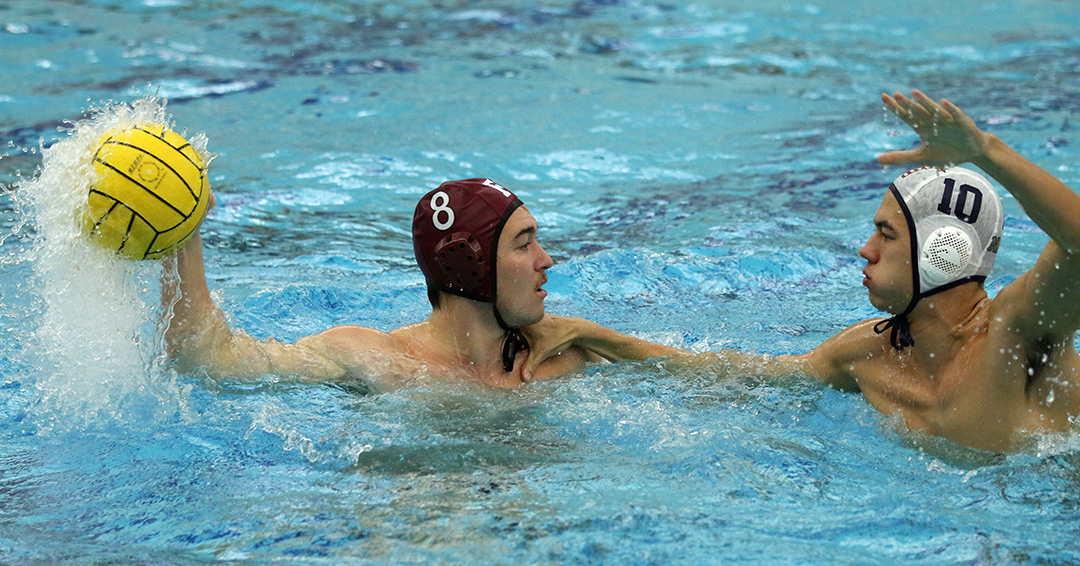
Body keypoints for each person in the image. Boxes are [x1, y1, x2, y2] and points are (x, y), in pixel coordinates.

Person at [521, 90, 1080, 452]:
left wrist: (986, 151)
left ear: (945, 251)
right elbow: (741, 377)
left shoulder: (1018, 332)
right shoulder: (868, 354)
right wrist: (591, 335)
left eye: (885, 233)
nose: (864, 250)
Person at [165, 177, 600, 390]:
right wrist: (182, 235)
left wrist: (593, 333)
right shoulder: (376, 359)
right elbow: (206, 361)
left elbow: (670, 375)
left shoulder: (560, 359)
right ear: (470, 265)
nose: (547, 260)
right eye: (523, 245)